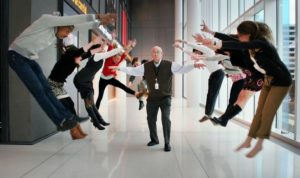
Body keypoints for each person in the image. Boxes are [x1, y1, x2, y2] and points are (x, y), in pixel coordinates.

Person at [8, 13, 116, 131]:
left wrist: (97, 24)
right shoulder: (46, 20)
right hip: (16, 55)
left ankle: (69, 117)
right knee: (39, 91)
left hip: (29, 59)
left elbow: (78, 32)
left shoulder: (57, 34)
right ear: (60, 24)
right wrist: (98, 17)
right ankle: (62, 120)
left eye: (69, 33)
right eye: (67, 32)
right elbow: (72, 20)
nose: (67, 34)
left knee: (48, 91)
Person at [201, 21, 292, 158]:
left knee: (261, 110)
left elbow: (238, 44)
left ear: (249, 35)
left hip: (276, 79)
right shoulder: (249, 45)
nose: (238, 37)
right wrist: (211, 32)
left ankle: (254, 142)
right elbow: (230, 39)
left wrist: (215, 44)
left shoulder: (262, 43)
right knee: (250, 104)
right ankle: (243, 136)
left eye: (241, 35)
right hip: (262, 76)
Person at [110, 46, 205, 152]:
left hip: (165, 98)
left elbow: (182, 69)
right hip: (152, 98)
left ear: (161, 54)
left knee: (165, 119)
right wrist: (119, 68)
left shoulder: (170, 64)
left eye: (158, 52)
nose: (155, 54)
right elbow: (133, 71)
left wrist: (194, 65)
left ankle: (167, 142)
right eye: (154, 52)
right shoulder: (146, 66)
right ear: (152, 54)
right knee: (150, 119)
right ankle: (154, 139)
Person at [48, 39, 101, 139]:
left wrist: (98, 49)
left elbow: (86, 54)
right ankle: (74, 131)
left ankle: (77, 130)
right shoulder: (66, 60)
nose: (80, 58)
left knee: (70, 105)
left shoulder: (73, 60)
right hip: (52, 85)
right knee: (67, 106)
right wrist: (93, 43)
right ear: (72, 56)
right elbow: (80, 52)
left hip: (58, 86)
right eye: (78, 56)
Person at [73, 39, 124, 130]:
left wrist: (110, 40)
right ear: (98, 50)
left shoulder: (99, 56)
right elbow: (110, 52)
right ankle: (96, 122)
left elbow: (106, 50)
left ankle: (100, 120)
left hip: (87, 80)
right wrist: (122, 48)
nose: (104, 49)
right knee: (88, 102)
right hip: (81, 79)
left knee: (91, 102)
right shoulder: (97, 56)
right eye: (102, 48)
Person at [174, 40, 225, 122]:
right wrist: (179, 47)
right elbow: (190, 53)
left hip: (219, 73)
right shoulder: (203, 56)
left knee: (213, 94)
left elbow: (196, 46)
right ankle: (207, 114)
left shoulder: (208, 51)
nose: (196, 55)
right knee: (210, 94)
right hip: (213, 74)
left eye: (197, 53)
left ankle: (208, 114)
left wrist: (182, 41)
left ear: (199, 50)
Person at [95, 39, 143, 109]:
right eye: (116, 59)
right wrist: (112, 38)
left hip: (111, 78)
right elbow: (110, 46)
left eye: (119, 59)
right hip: (103, 79)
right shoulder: (108, 58)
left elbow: (126, 53)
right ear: (113, 57)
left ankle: (136, 94)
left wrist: (132, 46)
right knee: (100, 96)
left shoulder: (119, 59)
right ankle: (95, 114)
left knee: (123, 87)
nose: (118, 60)